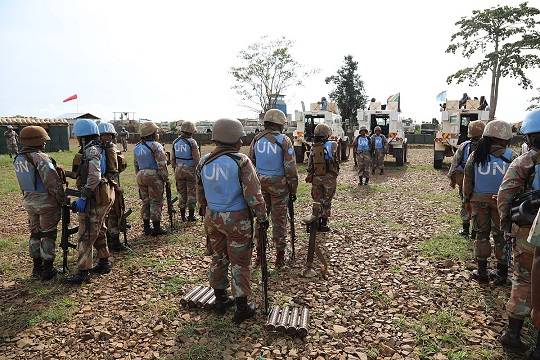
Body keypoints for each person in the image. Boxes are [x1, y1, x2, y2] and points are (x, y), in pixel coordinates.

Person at [196, 118, 268, 323]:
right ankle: (242, 307)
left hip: (212, 217)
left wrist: (206, 210)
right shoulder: (241, 161)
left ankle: (220, 299)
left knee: (218, 257)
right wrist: (262, 217)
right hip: (237, 220)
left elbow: (200, 192)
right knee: (240, 261)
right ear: (235, 138)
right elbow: (254, 194)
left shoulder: (204, 161)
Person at [498, 110, 540, 353]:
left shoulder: (525, 162)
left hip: (527, 229)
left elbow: (505, 196)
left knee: (523, 279)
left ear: (531, 138)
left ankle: (513, 333)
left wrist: (506, 223)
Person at [463, 120, 515, 284]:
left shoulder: (476, 154)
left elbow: (468, 179)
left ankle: (482, 272)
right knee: (502, 237)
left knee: (481, 236)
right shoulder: (511, 156)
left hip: (478, 201)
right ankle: (502, 274)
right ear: (505, 137)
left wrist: (466, 200)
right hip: (501, 202)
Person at [64, 119, 115, 284]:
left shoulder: (91, 150)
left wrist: (84, 196)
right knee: (99, 229)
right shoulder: (97, 147)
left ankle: (83, 272)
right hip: (102, 194)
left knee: (86, 234)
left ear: (82, 137)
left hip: (95, 196)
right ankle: (104, 261)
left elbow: (94, 176)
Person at [13, 126, 65, 280]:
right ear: (38, 141)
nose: (44, 144)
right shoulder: (40, 157)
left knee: (35, 234)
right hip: (45, 202)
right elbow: (52, 181)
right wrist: (61, 199)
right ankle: (48, 269)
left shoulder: (19, 157)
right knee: (48, 234)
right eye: (43, 141)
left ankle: (37, 268)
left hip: (30, 201)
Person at [248, 109, 298, 268]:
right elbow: (290, 168)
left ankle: (260, 255)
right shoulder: (284, 140)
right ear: (280, 124)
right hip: (279, 186)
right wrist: (293, 189)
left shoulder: (256, 139)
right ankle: (279, 257)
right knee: (279, 220)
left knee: (260, 219)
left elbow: (251, 162)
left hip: (260, 183)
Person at [448, 120, 486, 237]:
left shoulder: (464, 146)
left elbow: (454, 164)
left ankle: (465, 229)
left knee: (465, 203)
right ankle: (475, 232)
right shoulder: (489, 147)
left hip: (466, 182)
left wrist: (452, 179)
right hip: (482, 183)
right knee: (479, 207)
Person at [134, 122, 169, 236]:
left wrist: (138, 175)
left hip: (140, 175)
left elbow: (136, 164)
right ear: (152, 133)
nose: (158, 134)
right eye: (156, 132)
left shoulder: (137, 147)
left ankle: (146, 227)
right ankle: (157, 227)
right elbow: (162, 164)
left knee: (145, 201)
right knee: (156, 201)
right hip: (153, 176)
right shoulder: (156, 146)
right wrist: (165, 178)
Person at [98, 122, 128, 251]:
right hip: (111, 184)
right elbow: (122, 165)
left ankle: (104, 242)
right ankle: (114, 240)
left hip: (97, 185)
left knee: (100, 215)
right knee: (115, 212)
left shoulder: (90, 148)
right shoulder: (113, 149)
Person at [306, 123, 339, 232]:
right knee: (327, 200)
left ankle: (316, 220)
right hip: (329, 177)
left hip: (316, 177)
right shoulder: (333, 144)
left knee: (317, 199)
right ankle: (324, 224)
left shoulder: (313, 147)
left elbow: (310, 163)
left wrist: (310, 174)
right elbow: (335, 157)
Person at [172, 121, 200, 222]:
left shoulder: (175, 141)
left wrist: (175, 169)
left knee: (181, 192)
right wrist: (198, 171)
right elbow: (196, 159)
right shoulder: (192, 142)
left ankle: (183, 216)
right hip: (190, 170)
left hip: (178, 169)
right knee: (191, 192)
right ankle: (191, 216)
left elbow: (172, 158)